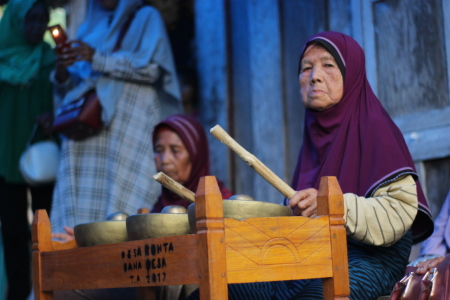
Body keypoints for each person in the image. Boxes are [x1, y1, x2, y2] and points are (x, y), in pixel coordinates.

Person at [188, 31, 434, 300]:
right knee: (215, 293)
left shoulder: (375, 126)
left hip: (368, 260)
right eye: (306, 68)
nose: (314, 75)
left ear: (351, 73)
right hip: (309, 259)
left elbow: (400, 211)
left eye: (328, 65)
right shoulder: (313, 137)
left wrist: (333, 205)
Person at [50, 0, 181, 235]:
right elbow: (77, 84)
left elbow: (151, 69)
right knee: (81, 206)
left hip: (130, 125)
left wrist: (98, 58)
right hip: (87, 132)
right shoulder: (88, 25)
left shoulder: (146, 17)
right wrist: (62, 72)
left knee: (127, 205)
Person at [0, 0, 55, 299]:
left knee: (44, 227)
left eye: (41, 20)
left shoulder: (51, 58)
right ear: (16, 22)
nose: (36, 27)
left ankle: (47, 288)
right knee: (12, 231)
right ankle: (19, 293)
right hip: (4, 157)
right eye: (29, 20)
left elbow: (65, 98)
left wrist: (53, 119)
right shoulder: (1, 58)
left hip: (43, 157)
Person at [152, 114, 233, 212]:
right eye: (159, 150)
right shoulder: (158, 208)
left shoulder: (223, 203)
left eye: (175, 151)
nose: (165, 160)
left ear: (196, 156)